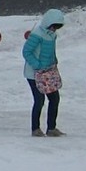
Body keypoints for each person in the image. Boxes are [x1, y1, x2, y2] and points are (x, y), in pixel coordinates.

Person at [23, 9, 66, 137]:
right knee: (39, 100)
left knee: (54, 98)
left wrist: (54, 60)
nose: (54, 29)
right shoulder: (37, 35)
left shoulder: (52, 35)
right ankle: (35, 129)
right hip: (34, 74)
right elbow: (26, 52)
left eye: (57, 27)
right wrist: (37, 65)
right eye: (53, 26)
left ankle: (51, 128)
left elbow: (51, 51)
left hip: (48, 73)